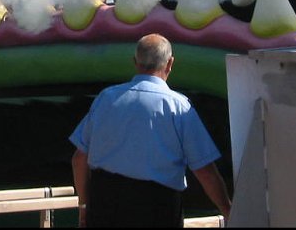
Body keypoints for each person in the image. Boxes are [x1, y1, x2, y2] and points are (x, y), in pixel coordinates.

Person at [69, 33, 231, 228]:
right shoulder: (178, 106)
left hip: (104, 206)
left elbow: (79, 159)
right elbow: (205, 171)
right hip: (157, 208)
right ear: (170, 63)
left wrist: (84, 205)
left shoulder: (106, 98)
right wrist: (227, 209)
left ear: (135, 62)